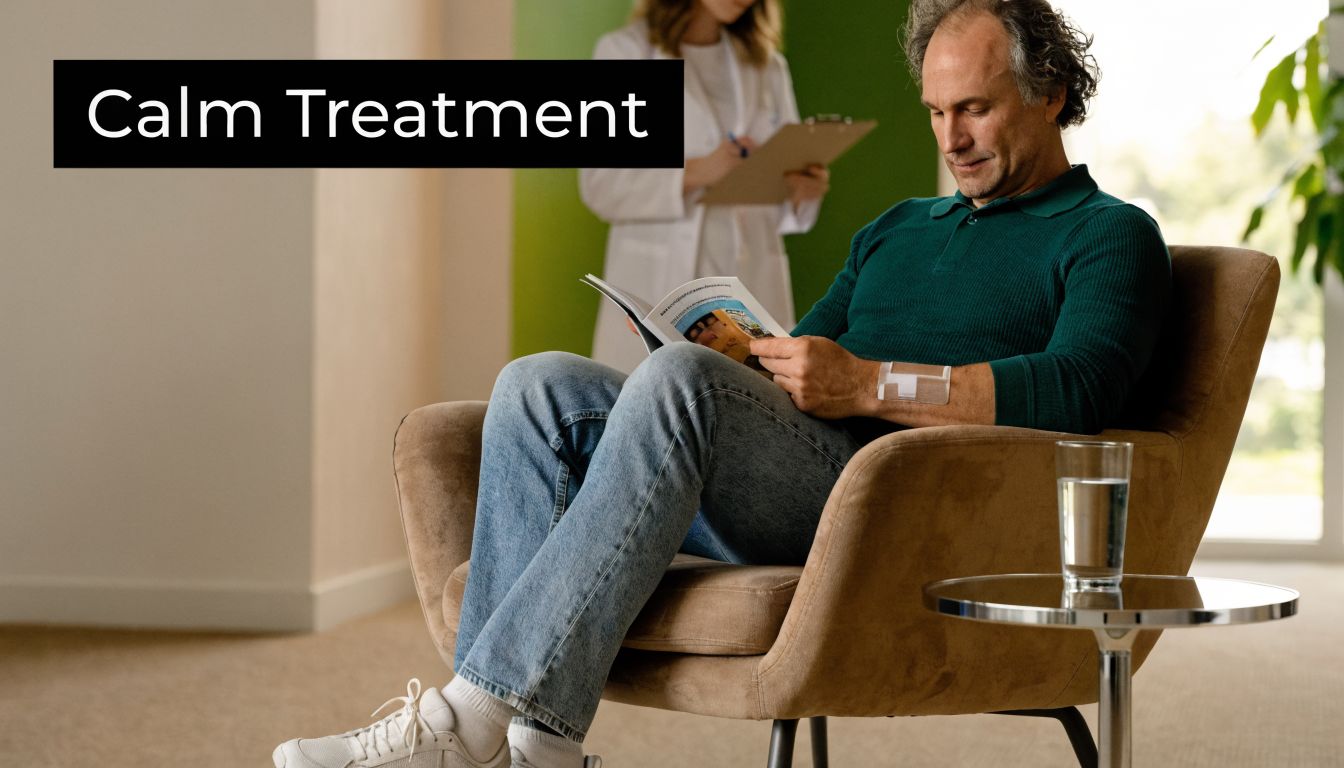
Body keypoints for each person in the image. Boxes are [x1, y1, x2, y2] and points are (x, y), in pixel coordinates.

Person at [271, 1, 1171, 767]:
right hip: (783, 472)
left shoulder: (1107, 233)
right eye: (936, 111)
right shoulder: (899, 225)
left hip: (898, 506)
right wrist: (758, 357)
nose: (951, 137)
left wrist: (869, 386)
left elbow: (1078, 390)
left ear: (1051, 92)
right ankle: (535, 746)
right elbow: (799, 350)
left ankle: (463, 726)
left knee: (683, 383)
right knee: (538, 385)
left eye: (974, 108)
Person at [580, 0, 830, 373]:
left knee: (749, 400)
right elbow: (601, 185)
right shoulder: (625, 53)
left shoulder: (768, 65)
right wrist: (697, 171)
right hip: (660, 282)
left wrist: (802, 191)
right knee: (652, 399)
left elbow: (782, 210)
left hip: (747, 288)